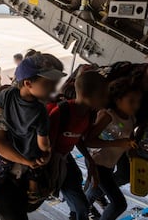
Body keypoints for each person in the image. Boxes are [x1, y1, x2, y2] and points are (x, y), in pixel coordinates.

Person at [0, 54, 66, 220]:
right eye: (49, 84)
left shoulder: (11, 97)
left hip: (16, 165)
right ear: (28, 83)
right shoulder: (30, 107)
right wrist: (43, 155)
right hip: (2, 159)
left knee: (2, 204)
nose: (54, 89)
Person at [49, 71, 109, 220]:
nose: (105, 99)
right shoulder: (62, 112)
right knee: (80, 205)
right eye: (102, 95)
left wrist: (89, 159)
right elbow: (46, 142)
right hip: (51, 161)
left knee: (79, 202)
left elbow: (80, 138)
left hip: (65, 158)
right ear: (88, 95)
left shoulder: (89, 115)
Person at [85, 77, 140, 220]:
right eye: (131, 101)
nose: (136, 105)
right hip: (96, 162)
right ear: (117, 99)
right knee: (119, 204)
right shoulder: (107, 116)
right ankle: (80, 208)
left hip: (109, 164)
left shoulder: (131, 118)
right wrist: (117, 143)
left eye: (138, 101)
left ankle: (79, 210)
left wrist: (130, 149)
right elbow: (89, 141)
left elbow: (127, 139)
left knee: (93, 191)